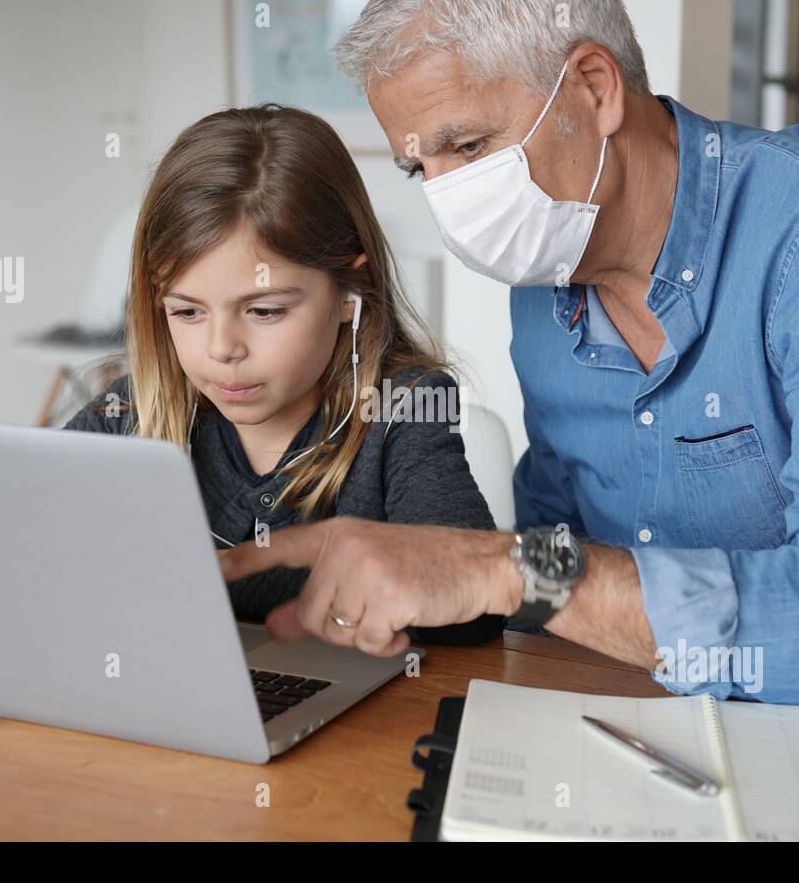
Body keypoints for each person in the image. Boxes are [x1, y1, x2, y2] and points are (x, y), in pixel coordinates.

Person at [220, 0, 799, 714]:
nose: (446, 196)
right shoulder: (542, 293)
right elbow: (563, 593)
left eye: (465, 147)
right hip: (656, 748)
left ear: (594, 87)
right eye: (417, 167)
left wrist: (506, 567)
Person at [65, 103, 503, 646]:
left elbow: (473, 611)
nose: (222, 348)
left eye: (265, 311)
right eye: (187, 312)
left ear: (349, 292)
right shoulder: (128, 417)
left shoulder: (405, 408)